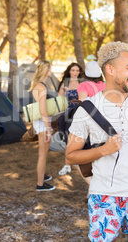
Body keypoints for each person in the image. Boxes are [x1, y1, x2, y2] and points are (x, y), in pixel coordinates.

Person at [66, 41, 128, 242]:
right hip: (103, 195)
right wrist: (104, 150)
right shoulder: (87, 109)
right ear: (110, 69)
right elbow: (70, 156)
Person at [76, 59, 106, 185]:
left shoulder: (83, 85)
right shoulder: (105, 85)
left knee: (80, 157)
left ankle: (93, 186)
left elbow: (83, 103)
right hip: (105, 123)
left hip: (90, 124)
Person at [29, 60, 56, 191]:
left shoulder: (37, 85)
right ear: (46, 71)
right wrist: (48, 129)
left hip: (40, 121)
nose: (52, 71)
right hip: (42, 122)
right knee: (42, 154)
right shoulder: (42, 87)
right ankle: (40, 184)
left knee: (43, 153)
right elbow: (43, 111)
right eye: (50, 69)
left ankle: (42, 175)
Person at [58, 62, 84, 175]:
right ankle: (67, 164)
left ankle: (81, 161)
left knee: (81, 138)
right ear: (69, 71)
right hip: (68, 113)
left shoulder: (82, 83)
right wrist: (64, 90)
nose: (75, 73)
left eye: (77, 71)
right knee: (67, 138)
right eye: (73, 70)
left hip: (80, 113)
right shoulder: (66, 82)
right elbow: (59, 98)